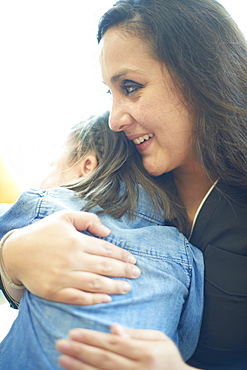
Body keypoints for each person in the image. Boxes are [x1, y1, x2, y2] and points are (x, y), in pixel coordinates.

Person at [0, 0, 246, 368]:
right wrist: (11, 257)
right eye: (110, 93)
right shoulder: (120, 159)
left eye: (131, 87)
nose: (115, 118)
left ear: (201, 75)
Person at [0, 113, 204, 369]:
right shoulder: (186, 255)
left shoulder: (51, 206)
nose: (45, 177)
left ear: (86, 167)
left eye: (53, 165)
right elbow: (186, 340)